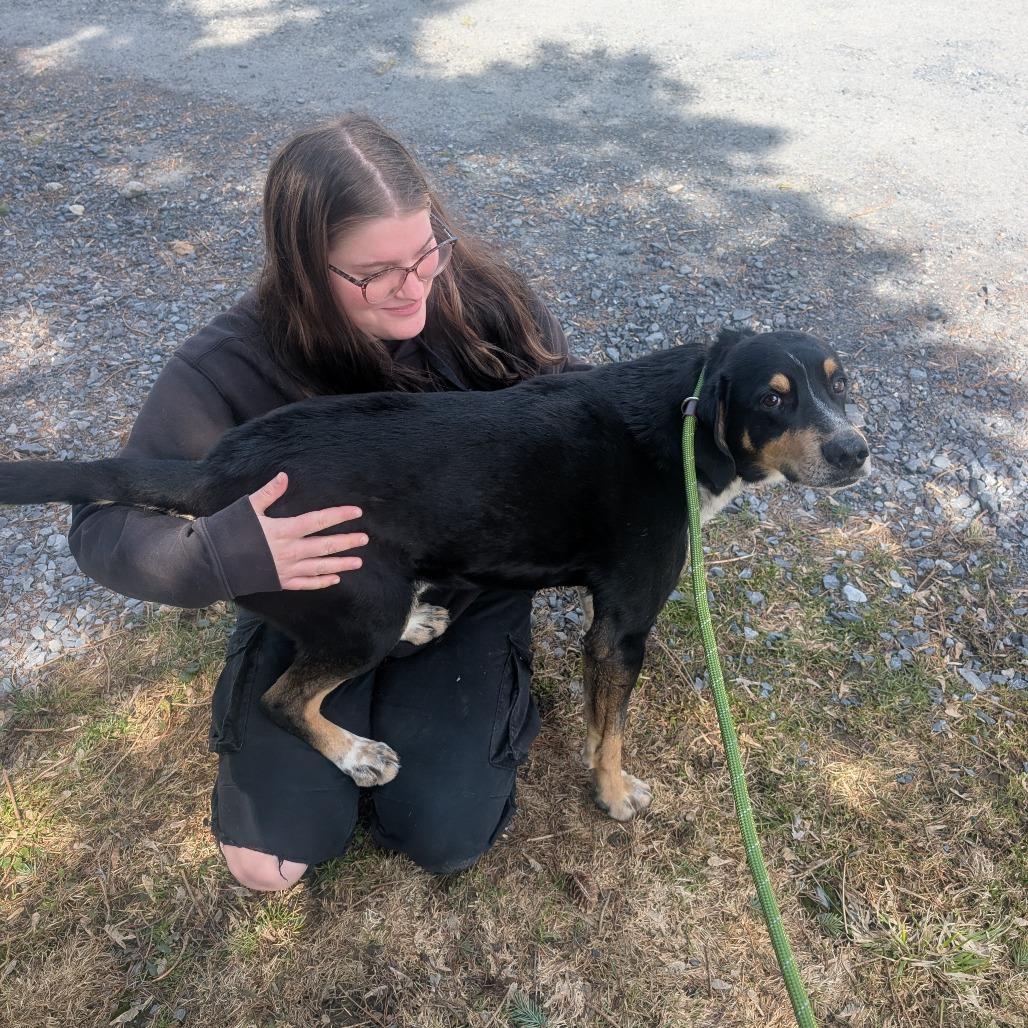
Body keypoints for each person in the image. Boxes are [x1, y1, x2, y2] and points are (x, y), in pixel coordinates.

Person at [68, 114, 589, 891]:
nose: (414, 287)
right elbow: (100, 522)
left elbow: (576, 411)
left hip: (461, 590)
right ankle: (290, 698)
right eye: (375, 272)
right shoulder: (229, 365)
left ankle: (452, 697)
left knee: (442, 836)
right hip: (318, 596)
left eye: (427, 252)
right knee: (267, 861)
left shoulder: (484, 304)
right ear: (305, 269)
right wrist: (219, 556)